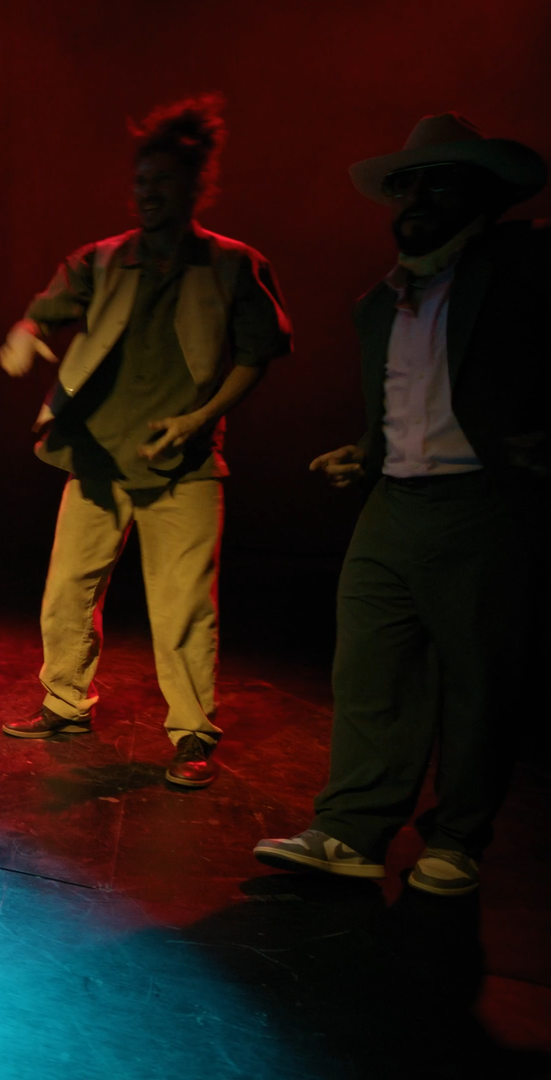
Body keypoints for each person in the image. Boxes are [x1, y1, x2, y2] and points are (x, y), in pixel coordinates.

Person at [255, 115, 547, 895]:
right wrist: (368, 449)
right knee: (370, 672)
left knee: (478, 681)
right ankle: (352, 832)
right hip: (393, 503)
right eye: (407, 184)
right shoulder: (381, 302)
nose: (417, 198)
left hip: (484, 504)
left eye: (439, 183)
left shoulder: (524, 267)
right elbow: (409, 400)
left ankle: (457, 840)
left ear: (484, 194)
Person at [0, 95, 292, 788]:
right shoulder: (101, 260)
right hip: (97, 456)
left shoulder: (233, 265)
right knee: (68, 591)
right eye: (140, 183)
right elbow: (39, 316)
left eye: (162, 182)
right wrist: (24, 336)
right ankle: (66, 702)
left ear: (196, 186)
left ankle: (192, 734)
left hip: (182, 461)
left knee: (183, 607)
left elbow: (256, 356)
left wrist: (199, 418)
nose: (148, 194)